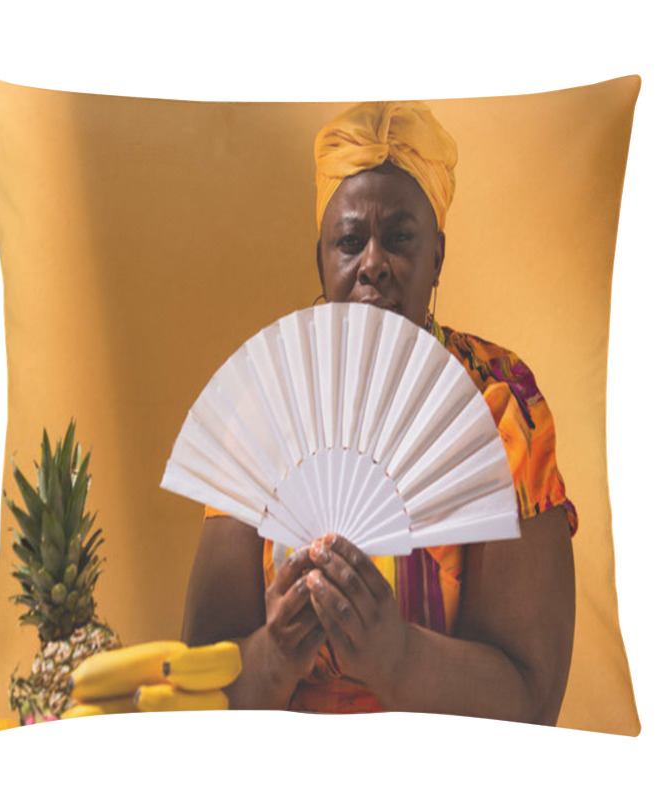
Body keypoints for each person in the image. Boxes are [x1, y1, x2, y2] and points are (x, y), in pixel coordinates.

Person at [181, 101, 577, 724]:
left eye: (398, 238)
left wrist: (396, 658)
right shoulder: (262, 409)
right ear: (321, 258)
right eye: (349, 241)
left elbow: (533, 705)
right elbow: (196, 697)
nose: (372, 264)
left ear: (438, 257)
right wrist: (272, 656)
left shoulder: (499, 408)